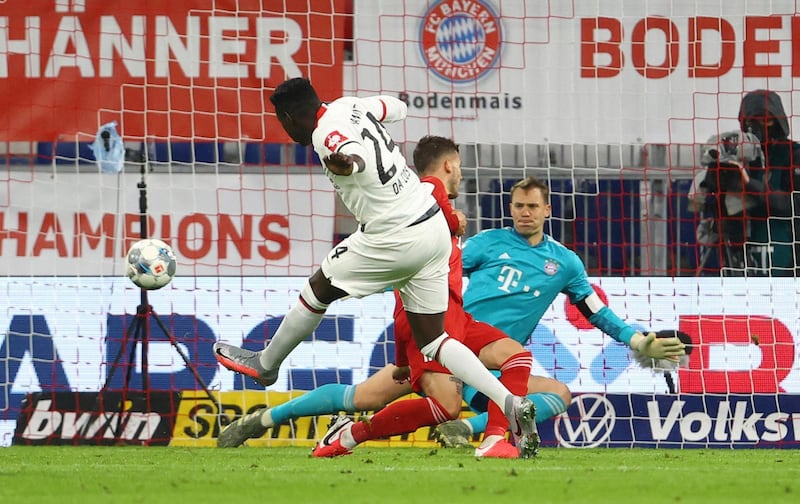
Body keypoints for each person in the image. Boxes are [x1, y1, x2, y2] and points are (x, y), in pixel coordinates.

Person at [211, 79, 537, 451]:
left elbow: (350, 155)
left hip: (394, 234)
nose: (285, 130)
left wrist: (347, 161)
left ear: (289, 117)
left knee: (319, 289)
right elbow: (396, 107)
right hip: (431, 229)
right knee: (435, 340)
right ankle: (510, 402)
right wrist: (367, 121)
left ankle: (266, 364)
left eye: (282, 122)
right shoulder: (350, 106)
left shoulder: (325, 133)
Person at [433, 176, 687, 447]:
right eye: (519, 206)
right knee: (385, 390)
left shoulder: (564, 262)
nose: (525, 212)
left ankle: (462, 428)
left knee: (559, 395)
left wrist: (637, 341)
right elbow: (442, 272)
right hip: (458, 350)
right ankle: (477, 427)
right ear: (510, 209)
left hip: (501, 367)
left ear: (547, 210)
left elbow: (596, 312)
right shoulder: (487, 243)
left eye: (532, 205)